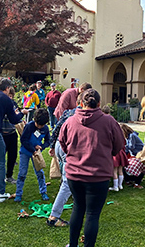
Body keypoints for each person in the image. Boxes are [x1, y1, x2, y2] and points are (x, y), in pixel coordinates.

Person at [59, 88, 125, 247]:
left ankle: (72, 244)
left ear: (81, 103)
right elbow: (120, 144)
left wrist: (74, 154)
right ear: (99, 103)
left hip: (75, 174)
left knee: (78, 208)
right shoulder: (109, 121)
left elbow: (63, 143)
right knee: (92, 214)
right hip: (98, 176)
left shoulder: (70, 121)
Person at [46, 97, 82, 228]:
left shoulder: (68, 112)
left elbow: (56, 128)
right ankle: (54, 216)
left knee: (67, 178)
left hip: (59, 146)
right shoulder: (83, 117)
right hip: (67, 148)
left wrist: (52, 146)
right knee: (67, 182)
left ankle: (78, 199)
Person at [14, 108, 51, 202]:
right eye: (38, 124)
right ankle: (18, 194)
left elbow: (48, 141)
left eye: (41, 125)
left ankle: (43, 192)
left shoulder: (45, 129)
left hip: (37, 155)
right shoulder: (29, 126)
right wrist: (32, 149)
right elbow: (23, 140)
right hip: (25, 152)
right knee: (22, 173)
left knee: (40, 173)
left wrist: (42, 147)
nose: (39, 127)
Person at [2, 87, 21, 184]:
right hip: (2, 134)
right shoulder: (1, 104)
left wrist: (19, 116)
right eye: (8, 96)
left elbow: (15, 119)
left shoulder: (13, 104)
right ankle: (0, 178)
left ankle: (9, 176)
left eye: (11, 96)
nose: (9, 98)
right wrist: (18, 115)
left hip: (12, 133)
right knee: (1, 157)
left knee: (12, 156)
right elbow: (10, 117)